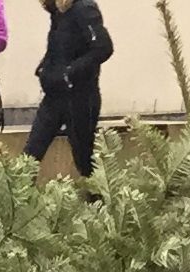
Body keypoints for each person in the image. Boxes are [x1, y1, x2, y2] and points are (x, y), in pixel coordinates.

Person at [24, 0, 113, 180]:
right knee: (30, 156)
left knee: (85, 160)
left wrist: (69, 73)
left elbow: (103, 48)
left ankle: (100, 201)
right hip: (54, 96)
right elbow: (60, 50)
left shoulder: (83, 8)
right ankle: (18, 203)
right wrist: (45, 68)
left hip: (80, 97)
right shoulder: (58, 12)